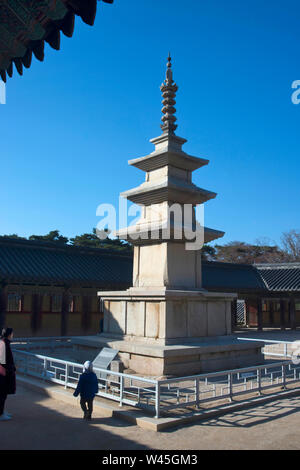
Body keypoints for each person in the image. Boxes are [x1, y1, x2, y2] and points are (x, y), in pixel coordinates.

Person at [0, 327, 16, 422]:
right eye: (12, 333)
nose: (13, 335)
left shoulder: (3, 342)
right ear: (9, 334)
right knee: (2, 394)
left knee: (3, 394)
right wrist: (10, 368)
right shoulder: (4, 344)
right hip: (3, 373)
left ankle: (2, 411)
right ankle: (1, 414)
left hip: (4, 372)